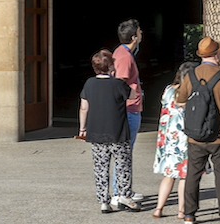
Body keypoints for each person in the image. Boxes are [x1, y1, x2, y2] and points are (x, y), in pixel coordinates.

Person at [176, 37, 220, 224]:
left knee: (193, 174)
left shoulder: (190, 75)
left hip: (195, 135)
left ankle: (189, 215)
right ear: (217, 54)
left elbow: (180, 102)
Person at [80, 50, 142, 213]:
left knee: (100, 168)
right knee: (123, 165)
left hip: (97, 132)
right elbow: (133, 95)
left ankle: (104, 201)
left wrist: (82, 128)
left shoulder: (89, 84)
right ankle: (124, 196)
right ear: (110, 67)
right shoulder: (118, 84)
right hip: (118, 132)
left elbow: (84, 107)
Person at [153, 62, 195, 219]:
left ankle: (159, 208)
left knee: (168, 175)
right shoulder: (191, 93)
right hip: (183, 138)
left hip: (167, 138)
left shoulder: (168, 90)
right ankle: (181, 211)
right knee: (184, 176)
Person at [112, 19, 145, 205]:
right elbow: (120, 83)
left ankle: (122, 190)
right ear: (134, 37)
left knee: (123, 152)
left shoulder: (121, 53)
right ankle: (120, 192)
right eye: (139, 31)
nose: (141, 34)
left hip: (129, 108)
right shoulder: (125, 57)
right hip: (129, 109)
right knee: (124, 153)